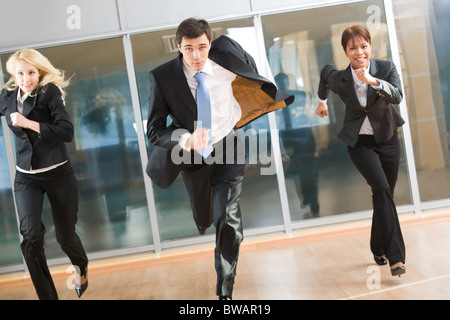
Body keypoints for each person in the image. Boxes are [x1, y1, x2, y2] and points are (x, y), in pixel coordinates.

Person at [146, 18, 293, 299]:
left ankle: (225, 290)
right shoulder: (163, 77)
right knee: (206, 216)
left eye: (202, 47)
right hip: (192, 154)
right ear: (179, 47)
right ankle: (204, 219)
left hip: (229, 145)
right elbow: (154, 129)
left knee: (228, 218)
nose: (197, 55)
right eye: (189, 49)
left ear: (210, 43)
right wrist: (185, 139)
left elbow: (251, 69)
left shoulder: (226, 54)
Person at [315, 25, 406, 277]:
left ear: (370, 46)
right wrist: (322, 102)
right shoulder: (341, 78)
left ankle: (378, 247)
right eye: (353, 48)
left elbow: (397, 96)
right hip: (360, 143)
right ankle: (396, 258)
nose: (359, 52)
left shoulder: (385, 69)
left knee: (385, 195)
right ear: (345, 51)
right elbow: (325, 75)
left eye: (363, 46)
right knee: (381, 188)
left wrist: (373, 82)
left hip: (388, 140)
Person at [0, 49, 88, 299]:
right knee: (30, 237)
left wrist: (28, 123)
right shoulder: (6, 98)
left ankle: (81, 268)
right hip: (26, 177)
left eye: (31, 72)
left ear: (39, 72)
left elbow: (66, 132)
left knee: (66, 237)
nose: (26, 78)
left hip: (59, 175)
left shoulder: (49, 93)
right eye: (20, 73)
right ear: (13, 74)